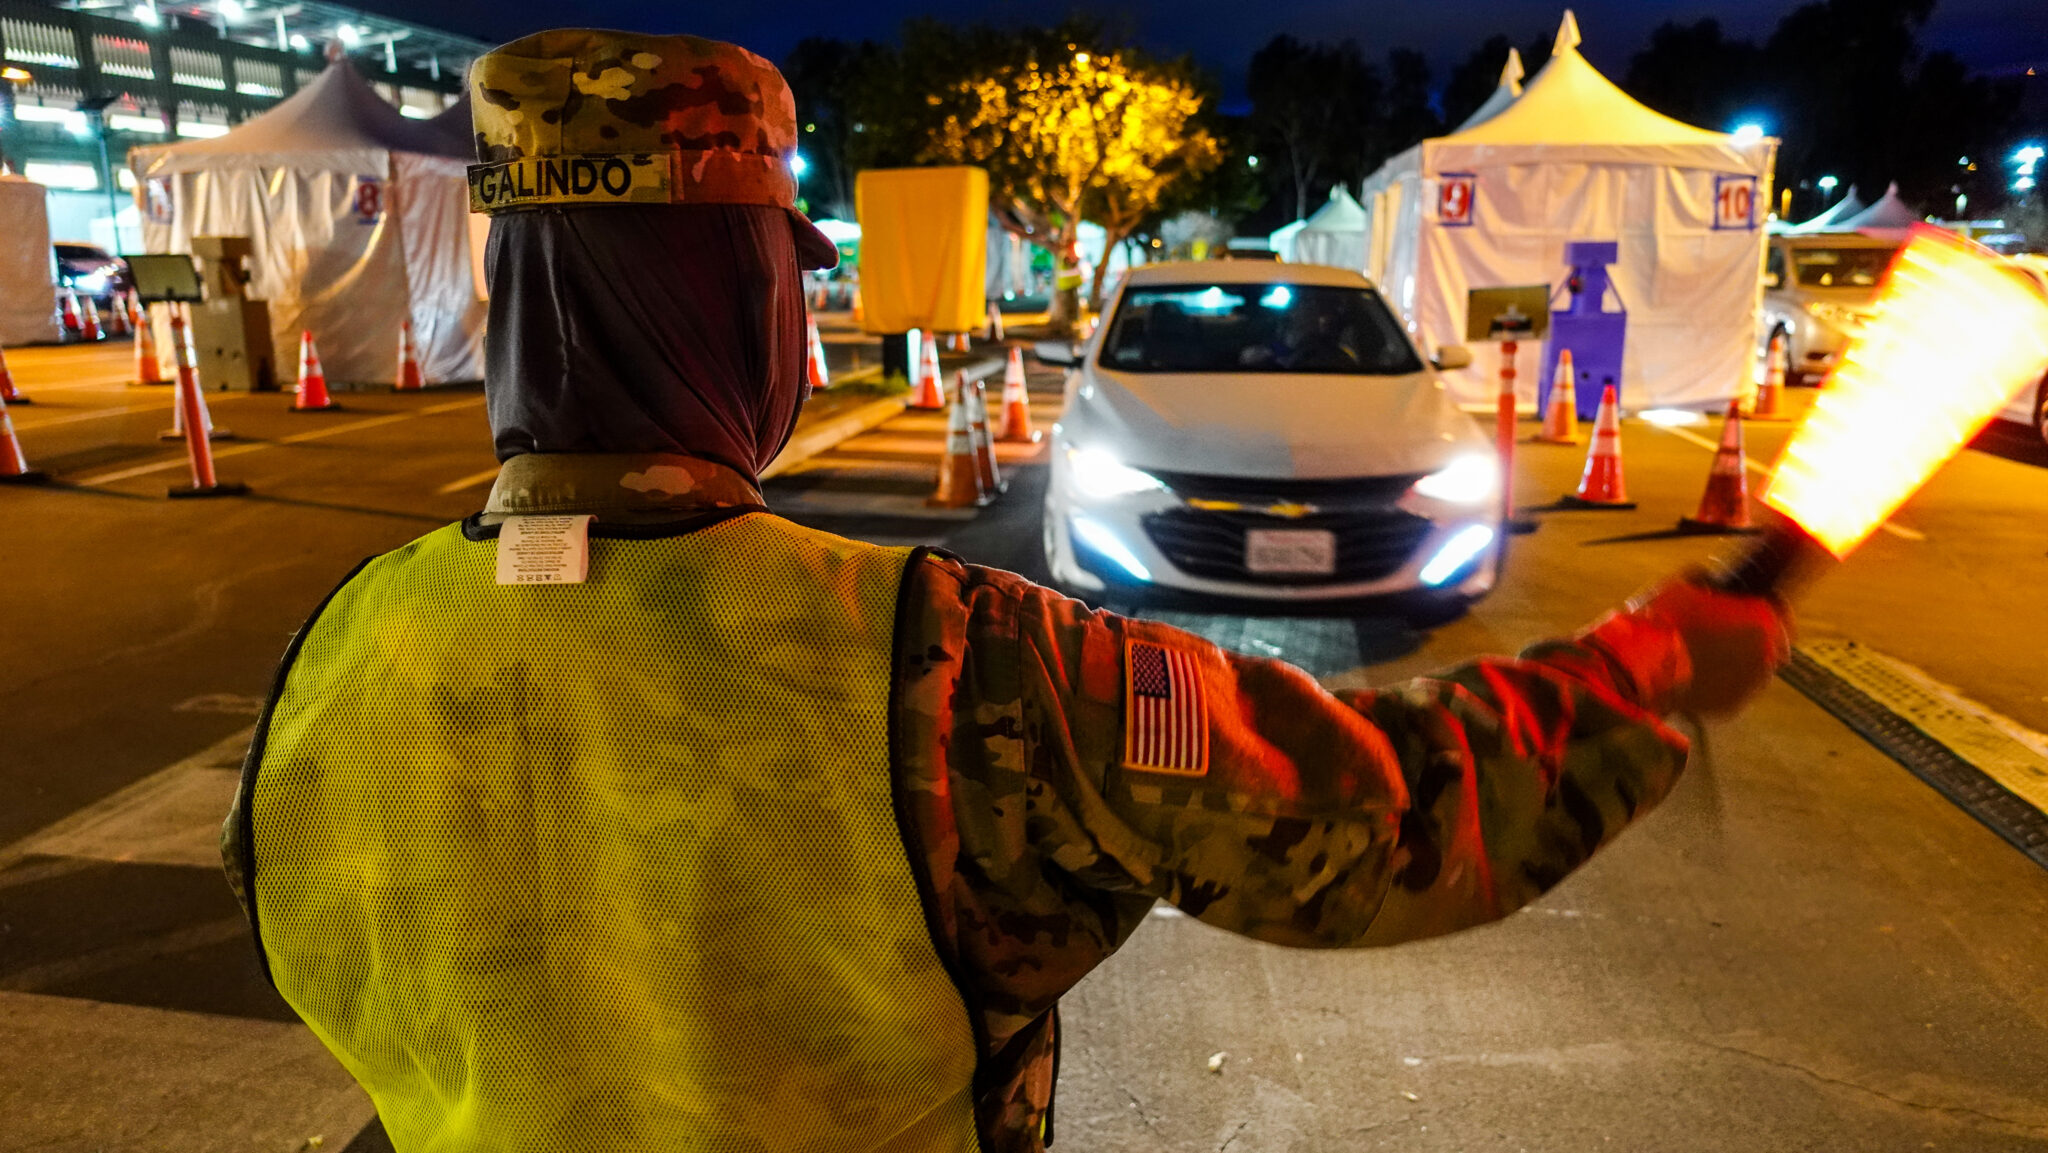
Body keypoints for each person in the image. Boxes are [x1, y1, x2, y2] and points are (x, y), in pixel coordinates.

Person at [221, 28, 1793, 1153]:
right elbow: (1382, 819)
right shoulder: (944, 654)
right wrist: (1652, 664)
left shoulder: (340, 655)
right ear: (747, 303)